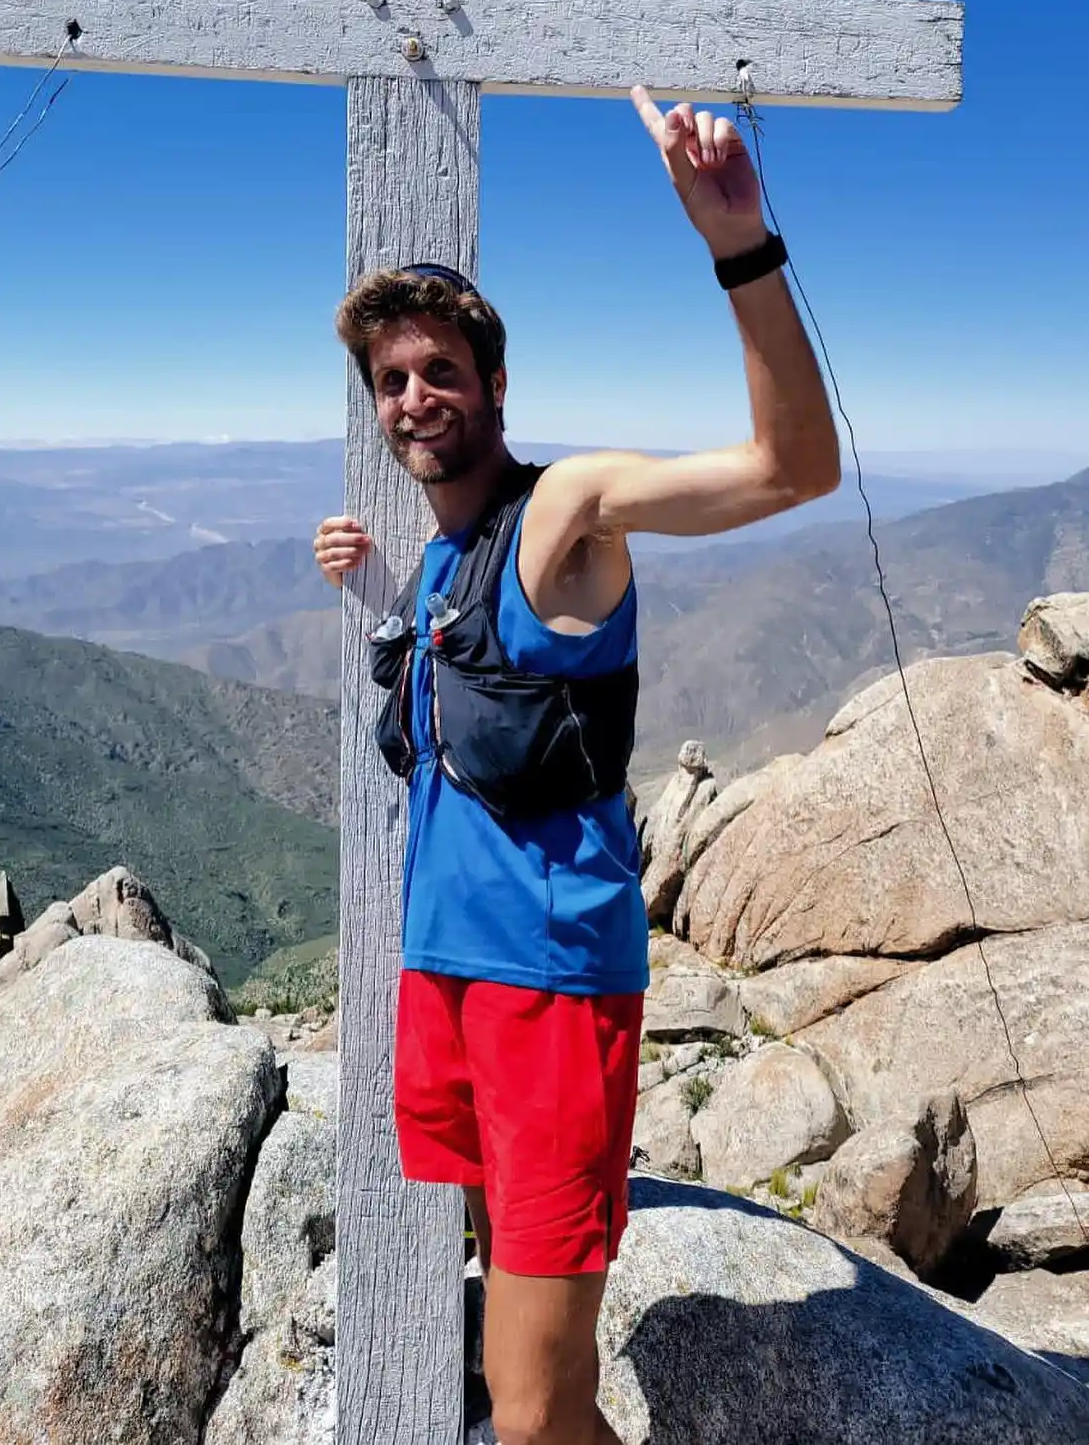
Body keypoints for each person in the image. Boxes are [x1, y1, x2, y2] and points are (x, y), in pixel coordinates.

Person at [313, 87, 840, 1445]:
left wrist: (739, 241)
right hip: (448, 987)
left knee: (543, 1414)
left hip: (548, 1001)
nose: (415, 398)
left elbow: (796, 467)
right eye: (392, 379)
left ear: (495, 384)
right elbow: (466, 722)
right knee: (509, 1355)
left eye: (441, 372)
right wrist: (381, 605)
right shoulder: (438, 561)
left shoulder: (567, 512)